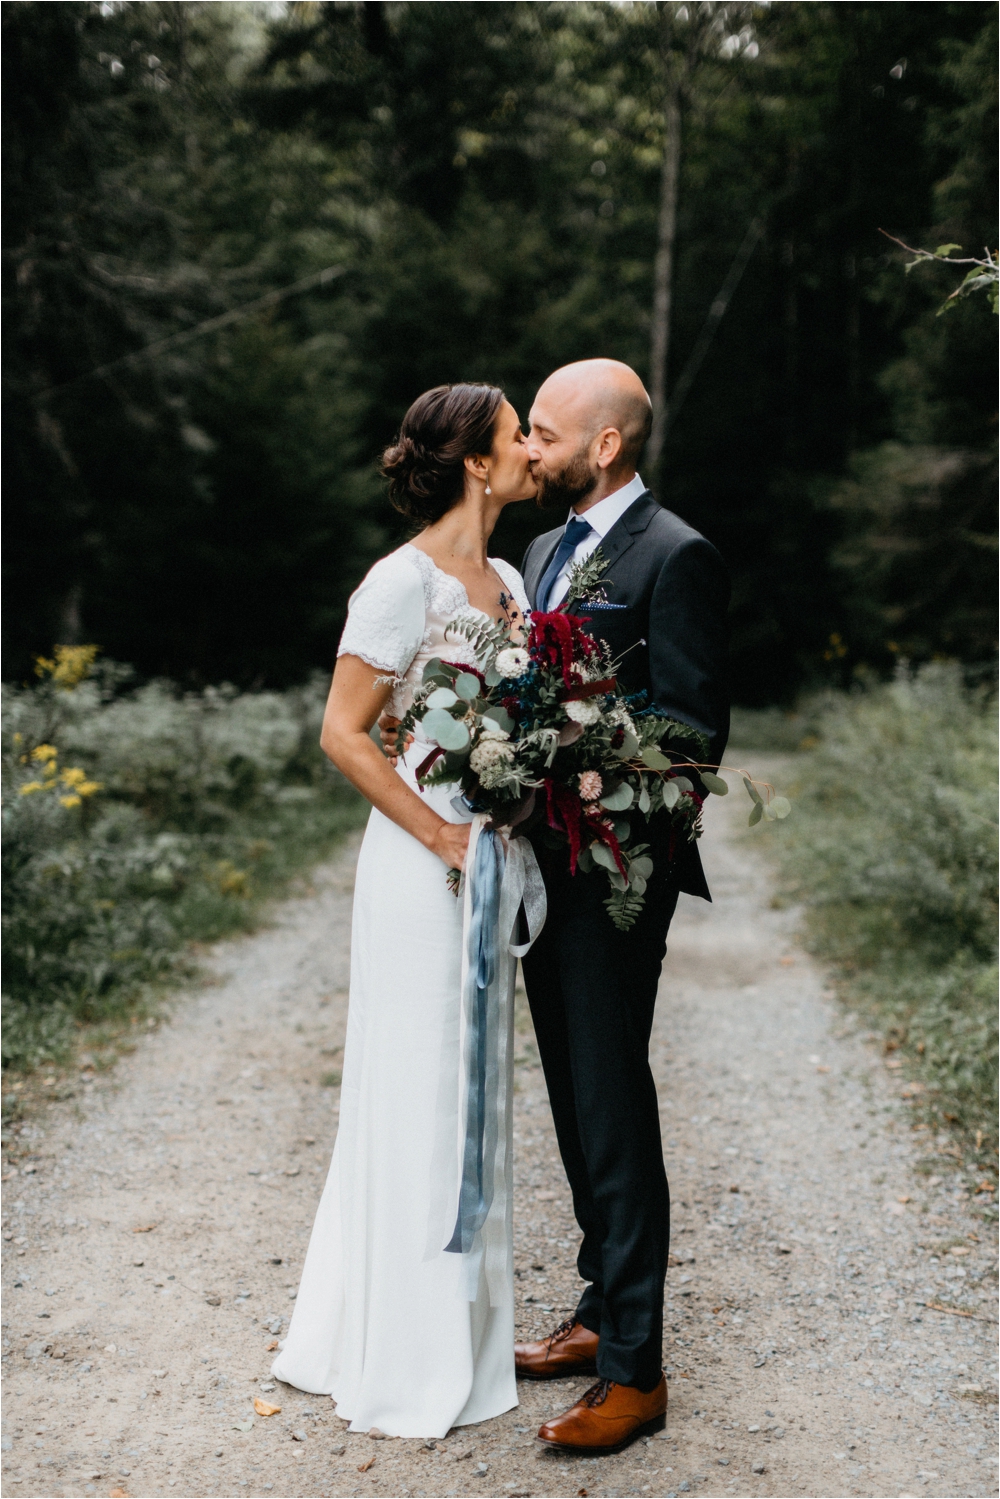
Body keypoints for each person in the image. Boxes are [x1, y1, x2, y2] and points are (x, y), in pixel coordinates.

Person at [271, 383, 536, 1438]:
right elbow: (342, 732)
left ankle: (457, 1332)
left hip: (485, 851)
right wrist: (440, 836)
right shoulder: (400, 581)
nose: (530, 450)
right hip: (423, 861)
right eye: (517, 434)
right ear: (477, 458)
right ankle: (401, 1349)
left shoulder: (509, 579)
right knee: (418, 1083)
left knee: (474, 1084)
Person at [512, 358, 730, 1452]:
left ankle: (637, 1370)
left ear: (604, 445)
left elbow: (692, 733)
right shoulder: (542, 553)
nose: (530, 449)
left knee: (611, 1099)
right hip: (534, 870)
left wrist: (591, 771)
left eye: (545, 432)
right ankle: (599, 1311)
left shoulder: (675, 554)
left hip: (613, 874)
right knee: (568, 1089)